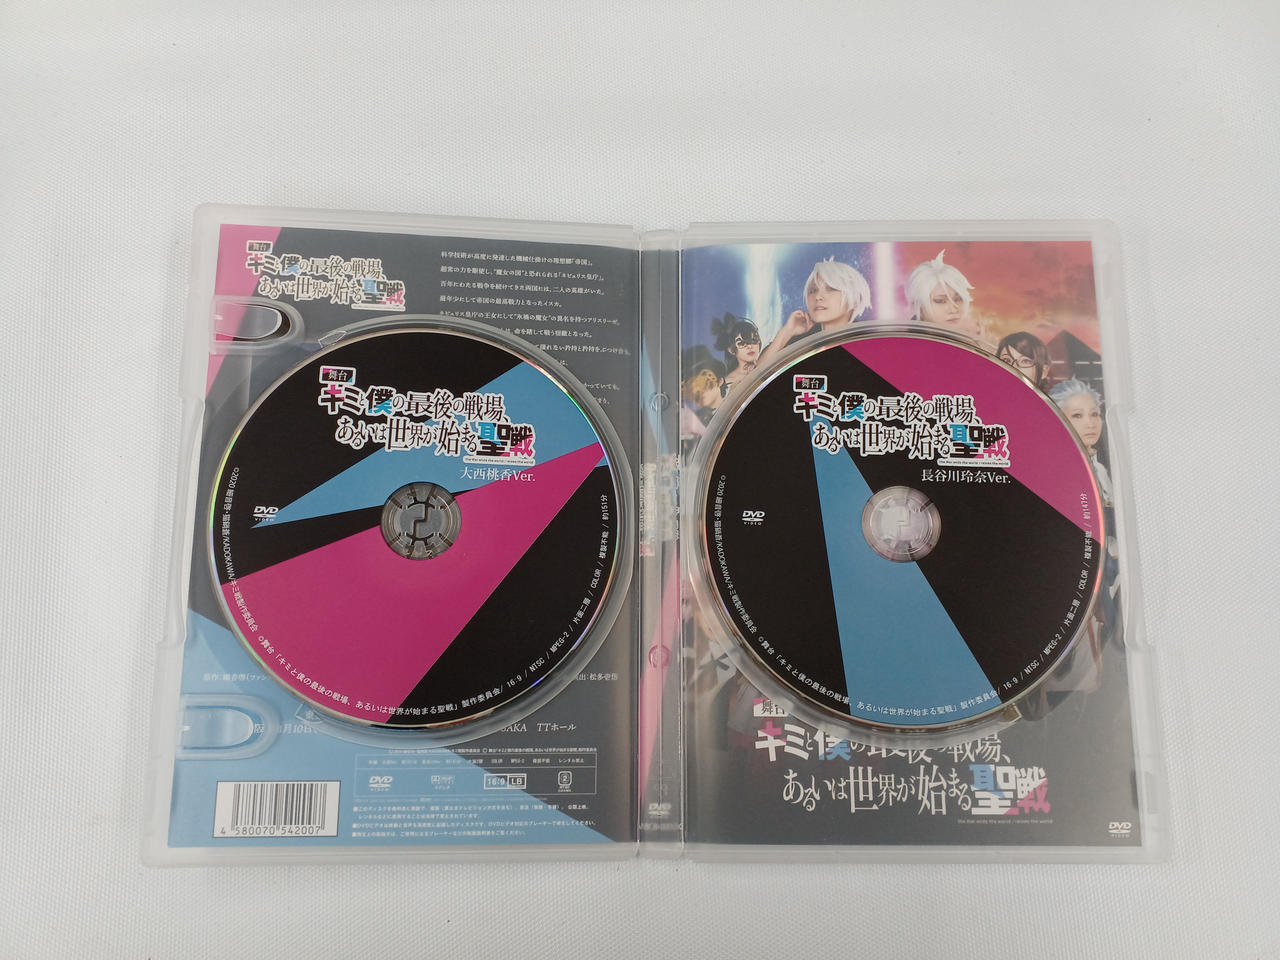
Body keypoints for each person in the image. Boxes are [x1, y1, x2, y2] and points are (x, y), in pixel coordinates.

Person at [1050, 378, 1120, 639]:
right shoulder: (1059, 472)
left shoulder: (1100, 468)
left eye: (1095, 414)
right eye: (1077, 415)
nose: (1090, 423)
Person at [759, 259, 871, 365]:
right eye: (813, 290)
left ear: (855, 299)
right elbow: (758, 374)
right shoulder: (800, 340)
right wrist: (787, 331)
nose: (818, 297)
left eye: (831, 289)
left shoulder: (870, 342)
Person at [904, 250, 988, 346]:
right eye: (940, 301)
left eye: (958, 299)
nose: (953, 309)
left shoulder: (969, 337)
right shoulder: (906, 346)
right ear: (918, 306)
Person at [711, 313, 763, 391]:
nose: (750, 346)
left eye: (754, 340)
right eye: (741, 343)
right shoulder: (727, 383)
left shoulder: (766, 361)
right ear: (731, 350)